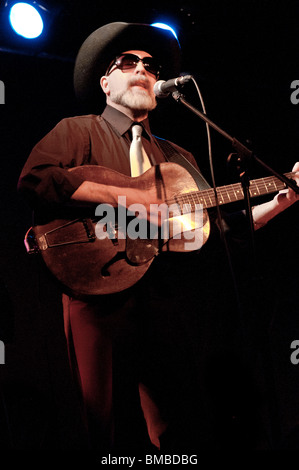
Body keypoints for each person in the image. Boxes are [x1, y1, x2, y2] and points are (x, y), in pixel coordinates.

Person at [18, 22, 299, 452]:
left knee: (180, 426)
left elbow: (220, 227)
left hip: (161, 298)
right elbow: (36, 180)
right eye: (128, 62)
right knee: (105, 428)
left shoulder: (176, 158)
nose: (143, 70)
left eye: (150, 65)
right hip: (96, 293)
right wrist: (129, 198)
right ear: (105, 82)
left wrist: (282, 199)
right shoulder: (76, 131)